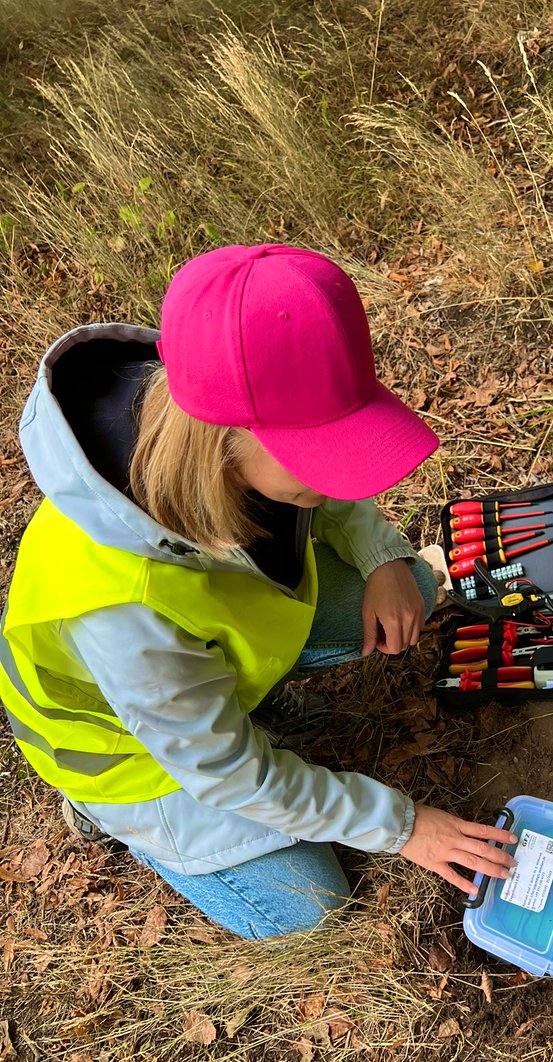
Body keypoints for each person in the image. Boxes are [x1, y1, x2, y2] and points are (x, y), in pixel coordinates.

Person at [0, 244, 517, 938]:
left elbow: (330, 493)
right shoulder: (125, 606)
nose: (337, 482)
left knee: (411, 588)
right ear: (225, 433)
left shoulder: (214, 413)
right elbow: (229, 774)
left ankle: (244, 695)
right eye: (319, 459)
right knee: (310, 906)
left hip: (192, 676)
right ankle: (109, 819)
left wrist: (383, 558)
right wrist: (403, 825)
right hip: (135, 758)